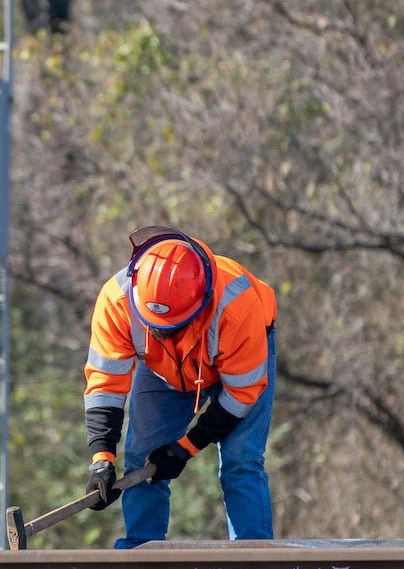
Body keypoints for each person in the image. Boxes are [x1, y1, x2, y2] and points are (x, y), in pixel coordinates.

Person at [83, 225, 278, 548]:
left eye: (170, 329)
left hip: (238, 362)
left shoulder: (238, 307)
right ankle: (143, 555)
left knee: (241, 459)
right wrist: (101, 458)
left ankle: (252, 559)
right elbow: (106, 384)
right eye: (153, 327)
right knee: (142, 458)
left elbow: (241, 395)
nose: (160, 335)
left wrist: (185, 449)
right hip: (163, 370)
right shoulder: (116, 301)